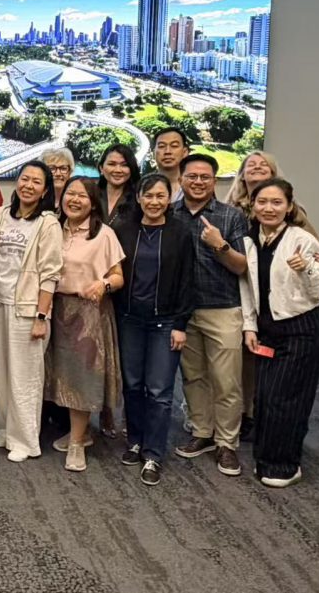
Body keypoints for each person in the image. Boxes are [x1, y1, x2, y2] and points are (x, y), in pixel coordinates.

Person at [223, 149, 319, 441]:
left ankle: (277, 439)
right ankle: (254, 424)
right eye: (251, 164)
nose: (268, 208)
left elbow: (314, 258)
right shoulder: (232, 212)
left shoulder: (295, 225)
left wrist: (313, 264)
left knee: (284, 389)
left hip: (292, 315)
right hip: (252, 308)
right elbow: (244, 276)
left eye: (264, 165)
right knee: (255, 377)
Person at [240, 178, 319, 488]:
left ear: (289, 207)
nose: (269, 208)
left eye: (277, 202)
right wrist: (249, 326)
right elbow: (247, 288)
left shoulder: (302, 240)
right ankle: (266, 459)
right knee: (265, 398)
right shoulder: (250, 241)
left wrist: (306, 267)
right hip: (267, 331)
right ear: (253, 205)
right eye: (262, 202)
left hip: (300, 330)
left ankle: (286, 465)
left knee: (288, 399)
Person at [112, 174, 195, 486]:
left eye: (161, 196)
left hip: (166, 322)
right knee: (132, 385)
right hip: (129, 319)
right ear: (139, 198)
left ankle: (153, 454)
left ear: (169, 198)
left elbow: (188, 281)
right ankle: (135, 440)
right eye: (148, 196)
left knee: (159, 391)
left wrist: (181, 325)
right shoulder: (123, 229)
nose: (154, 202)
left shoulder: (180, 232)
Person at [171, 154, 249, 477]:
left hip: (223, 308)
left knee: (226, 380)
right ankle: (202, 432)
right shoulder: (170, 213)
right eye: (192, 176)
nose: (198, 182)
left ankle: (227, 443)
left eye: (205, 177)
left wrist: (219, 245)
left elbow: (242, 267)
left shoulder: (231, 216)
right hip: (183, 311)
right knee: (193, 377)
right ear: (181, 180)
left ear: (215, 181)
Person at [0, 161, 63, 463]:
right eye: (24, 179)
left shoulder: (48, 223)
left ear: (45, 190)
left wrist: (42, 317)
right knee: (5, 372)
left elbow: (51, 274)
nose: (28, 185)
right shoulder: (2, 215)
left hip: (28, 310)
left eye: (36, 182)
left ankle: (26, 440)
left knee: (25, 377)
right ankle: (5, 429)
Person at [47, 176, 125, 472]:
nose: (74, 200)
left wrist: (103, 284)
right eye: (70, 193)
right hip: (55, 308)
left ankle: (77, 443)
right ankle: (79, 432)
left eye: (82, 196)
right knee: (61, 375)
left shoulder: (103, 234)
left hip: (88, 313)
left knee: (82, 377)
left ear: (93, 203)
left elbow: (118, 276)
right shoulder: (54, 228)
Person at [98, 143, 141, 227]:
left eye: (124, 165)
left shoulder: (139, 198)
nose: (118, 170)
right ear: (101, 168)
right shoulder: (90, 194)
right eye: (112, 164)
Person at [152, 127, 190, 201]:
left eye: (174, 146)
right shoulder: (142, 185)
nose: (167, 151)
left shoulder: (195, 185)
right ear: (154, 153)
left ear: (185, 152)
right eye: (161, 146)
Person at [40, 147, 75, 215]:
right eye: (52, 168)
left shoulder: (75, 200)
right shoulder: (36, 198)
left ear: (70, 171)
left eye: (63, 168)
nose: (58, 174)